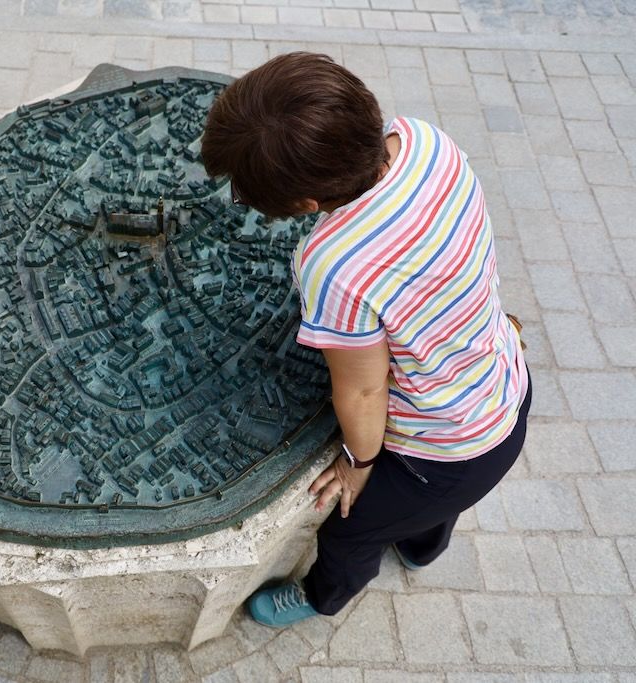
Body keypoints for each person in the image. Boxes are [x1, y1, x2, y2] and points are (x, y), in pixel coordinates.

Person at [200, 52, 531, 626]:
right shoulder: (426, 141)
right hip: (505, 386)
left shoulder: (335, 264)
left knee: (353, 531)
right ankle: (423, 547)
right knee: (428, 517)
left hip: (443, 450)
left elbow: (362, 392)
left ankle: (320, 598)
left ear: (307, 205)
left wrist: (358, 462)